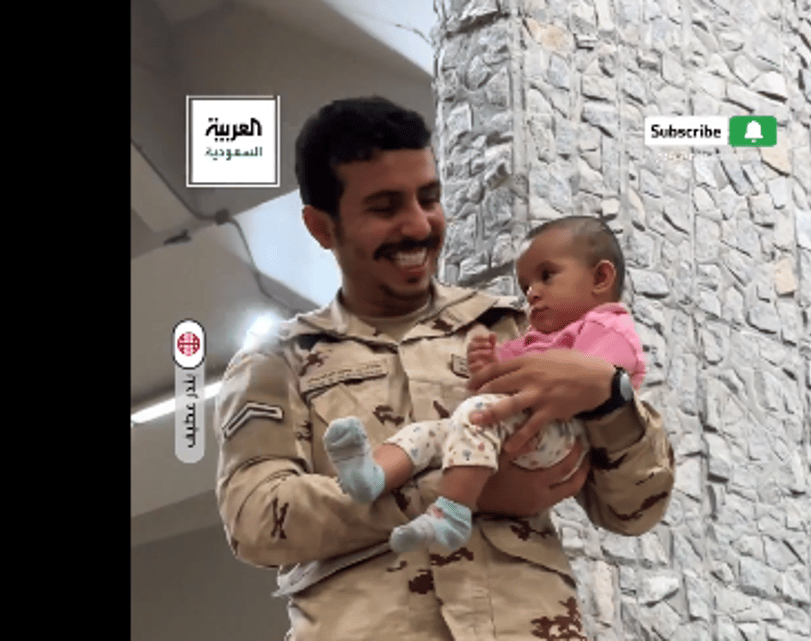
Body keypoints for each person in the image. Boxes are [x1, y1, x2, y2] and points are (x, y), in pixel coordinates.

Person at [213, 96, 675, 641]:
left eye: (429, 198)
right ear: (322, 227)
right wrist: (456, 492)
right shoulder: (277, 361)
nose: (418, 225)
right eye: (384, 207)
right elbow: (256, 520)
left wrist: (610, 396)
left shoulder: (515, 332)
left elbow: (632, 511)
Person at [323, 216, 648, 557]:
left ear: (601, 277)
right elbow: (494, 387)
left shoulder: (608, 328)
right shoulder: (535, 340)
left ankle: (451, 513)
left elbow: (598, 380)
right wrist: (486, 368)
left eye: (546, 276)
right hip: (520, 426)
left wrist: (566, 376)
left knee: (477, 415)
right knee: (431, 432)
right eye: (525, 287)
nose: (532, 293)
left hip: (563, 434)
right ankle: (372, 476)